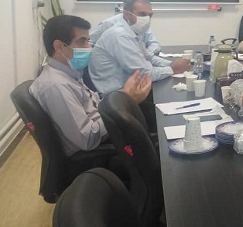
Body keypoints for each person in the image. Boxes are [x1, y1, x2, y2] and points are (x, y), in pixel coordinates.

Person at [30, 15, 152, 156]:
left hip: (106, 136)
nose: (89, 47)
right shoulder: (56, 86)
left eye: (88, 41)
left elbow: (94, 106)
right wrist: (124, 102)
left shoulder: (70, 73)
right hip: (99, 153)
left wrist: (123, 96)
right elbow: (87, 138)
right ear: (59, 47)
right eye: (82, 41)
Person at [89, 0, 190, 95]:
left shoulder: (133, 31)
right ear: (127, 14)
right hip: (115, 94)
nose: (147, 19)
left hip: (128, 87)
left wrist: (171, 63)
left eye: (150, 15)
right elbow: (145, 74)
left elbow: (148, 56)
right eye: (142, 14)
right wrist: (172, 69)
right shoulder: (120, 36)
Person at [90, 0, 162, 56]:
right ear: (125, 6)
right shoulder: (109, 23)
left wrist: (146, 54)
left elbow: (155, 44)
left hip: (136, 60)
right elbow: (90, 43)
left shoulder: (142, 23)